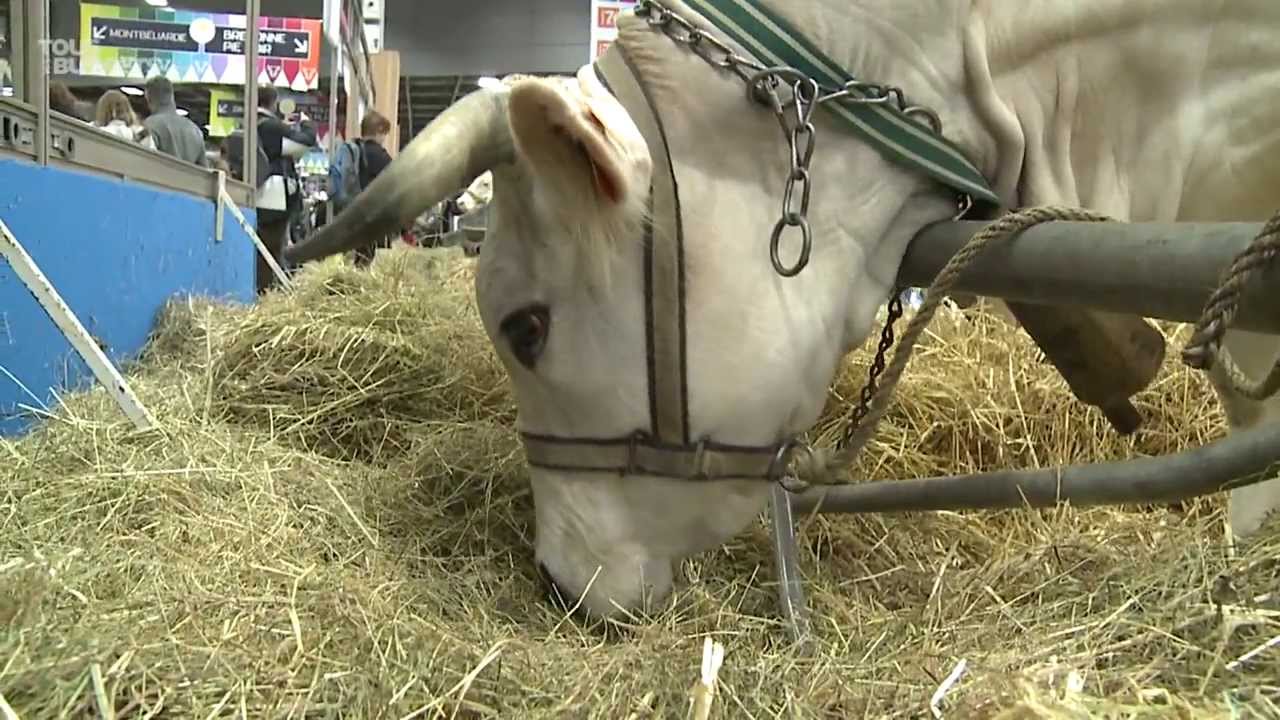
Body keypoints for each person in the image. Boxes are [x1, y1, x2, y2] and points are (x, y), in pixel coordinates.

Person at [254, 84, 318, 293]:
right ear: (274, 103)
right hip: (274, 197)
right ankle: (268, 292)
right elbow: (305, 144)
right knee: (273, 248)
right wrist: (308, 125)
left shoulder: (249, 123)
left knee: (259, 248)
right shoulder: (272, 127)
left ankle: (262, 289)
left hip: (253, 194)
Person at [349, 110, 394, 267]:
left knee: (360, 254)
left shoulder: (356, 149)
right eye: (385, 134)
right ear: (379, 131)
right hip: (373, 213)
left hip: (354, 210)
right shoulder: (379, 155)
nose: (384, 138)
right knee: (368, 258)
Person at [142, 76, 208, 167]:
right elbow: (204, 171)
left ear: (148, 98)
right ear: (172, 97)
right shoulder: (195, 130)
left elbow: (143, 162)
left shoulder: (150, 125)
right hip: (188, 180)